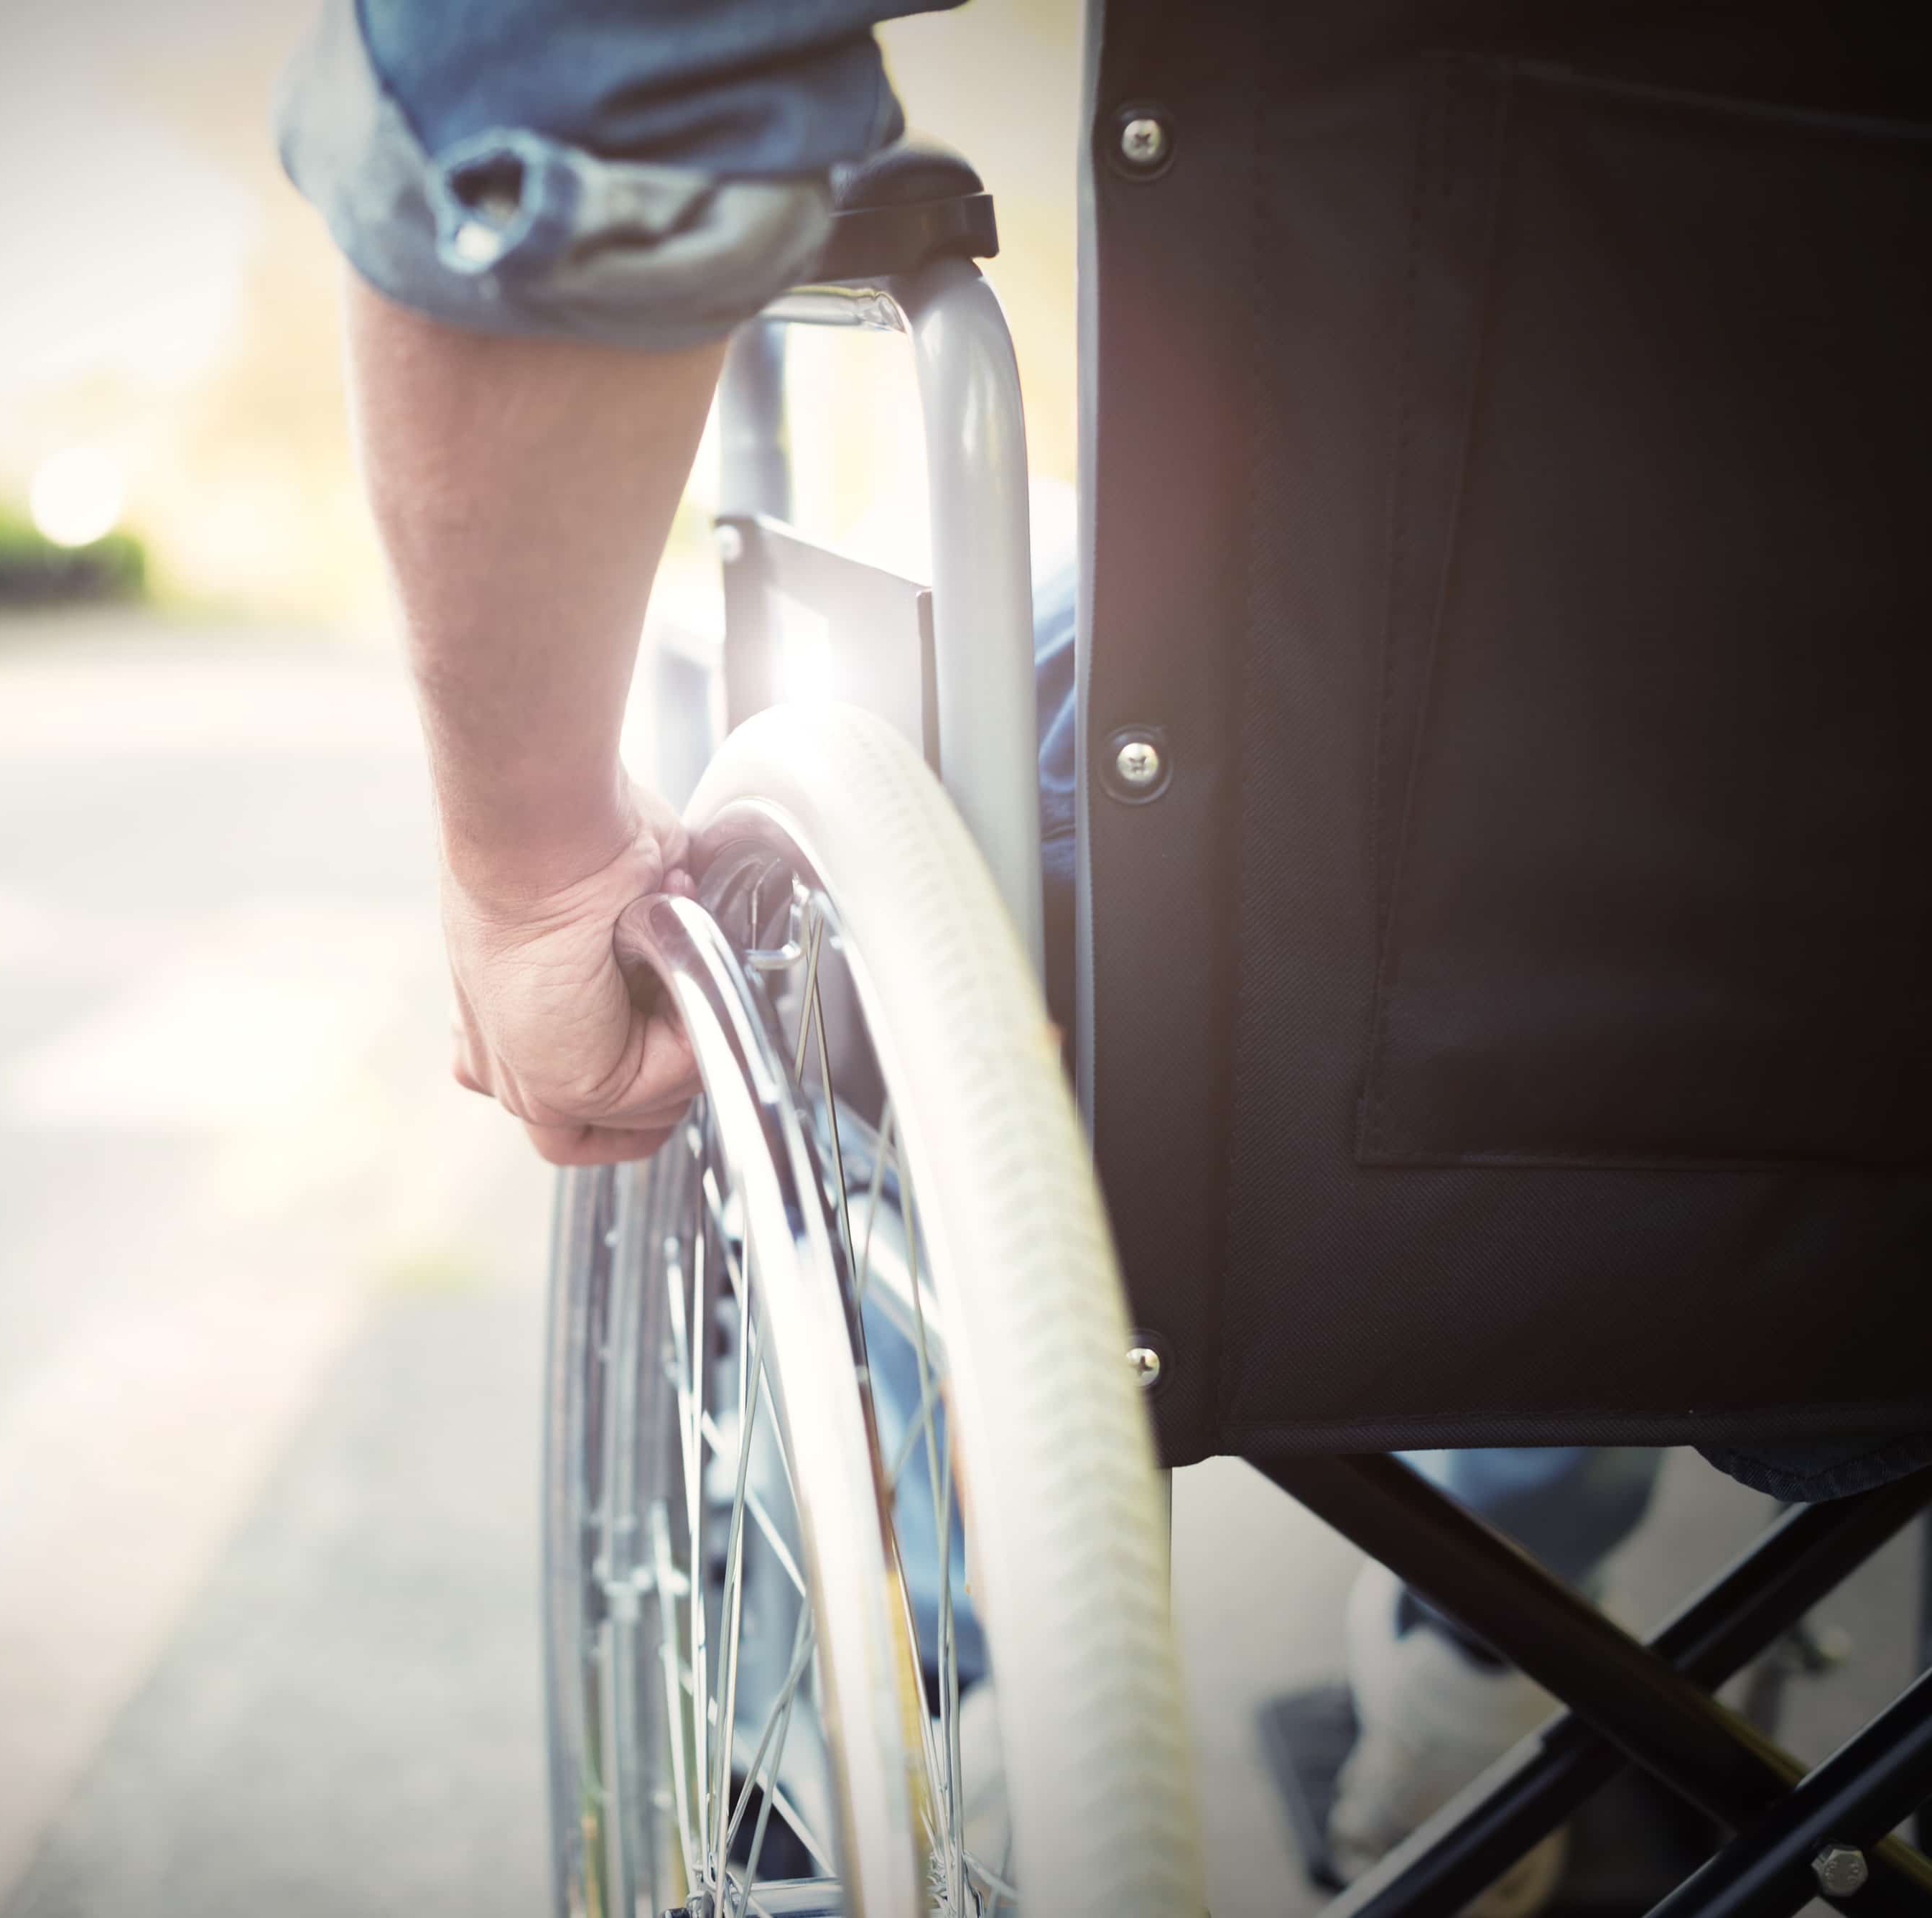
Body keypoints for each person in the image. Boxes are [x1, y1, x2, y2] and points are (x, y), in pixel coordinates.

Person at [271, 4, 1892, 1910]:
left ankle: (895, 1684)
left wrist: (532, 867)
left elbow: (581, 61)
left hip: (1424, 1006)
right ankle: (1474, 1687)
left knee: (1046, 807)